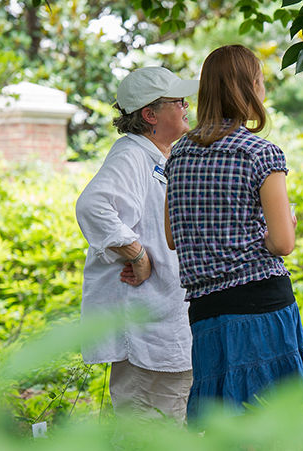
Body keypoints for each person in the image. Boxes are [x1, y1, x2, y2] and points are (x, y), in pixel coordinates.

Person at [163, 44, 303, 422]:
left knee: (224, 428)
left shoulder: (179, 153)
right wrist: (271, 231)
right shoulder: (259, 153)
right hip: (260, 307)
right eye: (261, 81)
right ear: (249, 87)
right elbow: (283, 243)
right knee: (267, 426)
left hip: (206, 312)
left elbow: (172, 237)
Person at [76, 66, 198, 423]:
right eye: (178, 101)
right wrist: (137, 254)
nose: (187, 106)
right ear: (150, 114)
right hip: (145, 325)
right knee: (152, 427)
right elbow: (93, 205)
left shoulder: (157, 157)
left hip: (159, 320)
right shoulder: (131, 155)